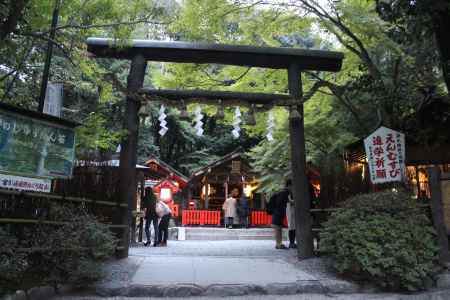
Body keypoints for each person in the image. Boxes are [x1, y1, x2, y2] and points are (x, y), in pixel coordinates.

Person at [271, 179, 291, 250]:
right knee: (278, 228)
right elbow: (279, 202)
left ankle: (279, 243)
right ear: (289, 186)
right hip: (278, 212)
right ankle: (278, 244)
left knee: (279, 228)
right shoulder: (284, 192)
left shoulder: (282, 192)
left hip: (277, 212)